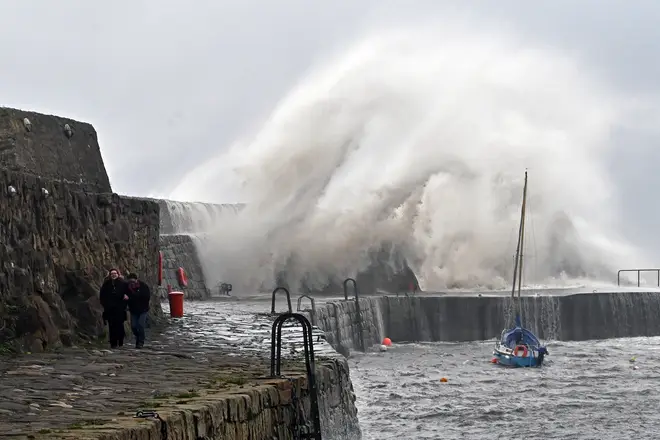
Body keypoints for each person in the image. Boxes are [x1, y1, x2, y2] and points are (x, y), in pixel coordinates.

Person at [99, 268, 128, 348]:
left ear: (118, 274)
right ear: (110, 275)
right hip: (110, 309)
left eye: (115, 273)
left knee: (119, 325)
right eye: (112, 274)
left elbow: (127, 294)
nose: (113, 275)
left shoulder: (123, 283)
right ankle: (113, 343)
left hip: (120, 308)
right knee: (111, 326)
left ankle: (120, 341)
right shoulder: (106, 284)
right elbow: (102, 295)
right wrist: (105, 304)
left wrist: (125, 300)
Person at [125, 273, 151, 349]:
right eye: (130, 281)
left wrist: (134, 296)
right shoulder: (127, 288)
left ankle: (141, 341)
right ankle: (138, 338)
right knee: (133, 326)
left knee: (140, 325)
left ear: (136, 280)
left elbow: (146, 296)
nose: (131, 283)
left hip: (143, 309)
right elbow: (125, 297)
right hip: (133, 310)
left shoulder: (143, 286)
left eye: (133, 281)